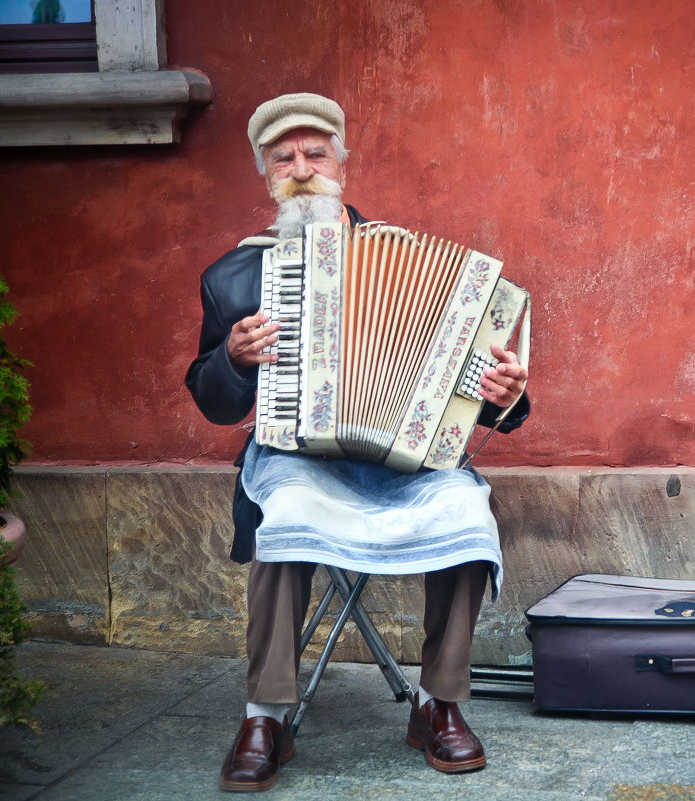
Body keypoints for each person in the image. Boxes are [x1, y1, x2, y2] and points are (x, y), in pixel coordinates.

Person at [185, 92, 530, 792]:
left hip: (404, 465)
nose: (303, 166)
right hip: (296, 461)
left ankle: (438, 703)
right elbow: (212, 398)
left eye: (316, 152)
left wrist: (506, 396)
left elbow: (478, 396)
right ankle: (265, 716)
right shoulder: (234, 278)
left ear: (341, 163)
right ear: (266, 174)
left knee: (467, 512)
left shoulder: (411, 262)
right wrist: (235, 360)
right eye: (285, 156)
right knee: (281, 523)